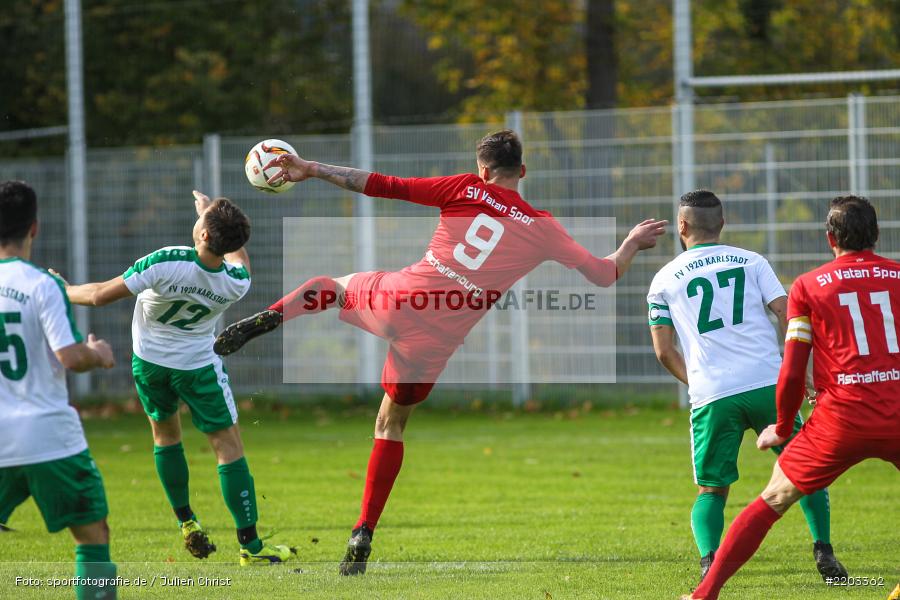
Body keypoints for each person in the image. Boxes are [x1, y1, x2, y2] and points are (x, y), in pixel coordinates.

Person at [214, 129, 668, 575]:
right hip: (436, 340)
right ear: (522, 171)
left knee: (333, 287)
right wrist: (629, 243)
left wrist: (311, 169)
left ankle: (274, 315)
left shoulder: (465, 187)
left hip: (401, 299)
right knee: (390, 425)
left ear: (482, 169)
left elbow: (380, 185)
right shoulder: (543, 227)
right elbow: (605, 275)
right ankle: (363, 530)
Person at [59, 191, 295, 566]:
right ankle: (251, 547)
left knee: (166, 437)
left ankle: (187, 521)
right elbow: (238, 259)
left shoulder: (167, 261)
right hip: (198, 368)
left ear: (203, 234)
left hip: (150, 365)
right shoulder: (235, 283)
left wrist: (62, 289)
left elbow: (100, 295)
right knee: (227, 446)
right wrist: (216, 219)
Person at [685, 195, 899, 600]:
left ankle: (704, 594)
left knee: (772, 500)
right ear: (876, 235)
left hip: (840, 421)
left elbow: (793, 370)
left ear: (829, 238)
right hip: (897, 413)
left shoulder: (809, 286)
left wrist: (782, 428)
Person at [648, 190, 845, 584]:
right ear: (721, 225)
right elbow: (788, 314)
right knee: (807, 473)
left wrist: (700, 382)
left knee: (712, 489)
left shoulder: (663, 279)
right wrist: (803, 369)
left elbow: (664, 351)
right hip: (769, 385)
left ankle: (710, 565)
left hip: (713, 394)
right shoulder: (752, 261)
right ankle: (824, 551)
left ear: (682, 226)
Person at [0, 181, 117, 599]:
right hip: (48, 437)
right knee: (92, 536)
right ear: (34, 228)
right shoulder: (42, 285)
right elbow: (69, 357)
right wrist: (98, 353)